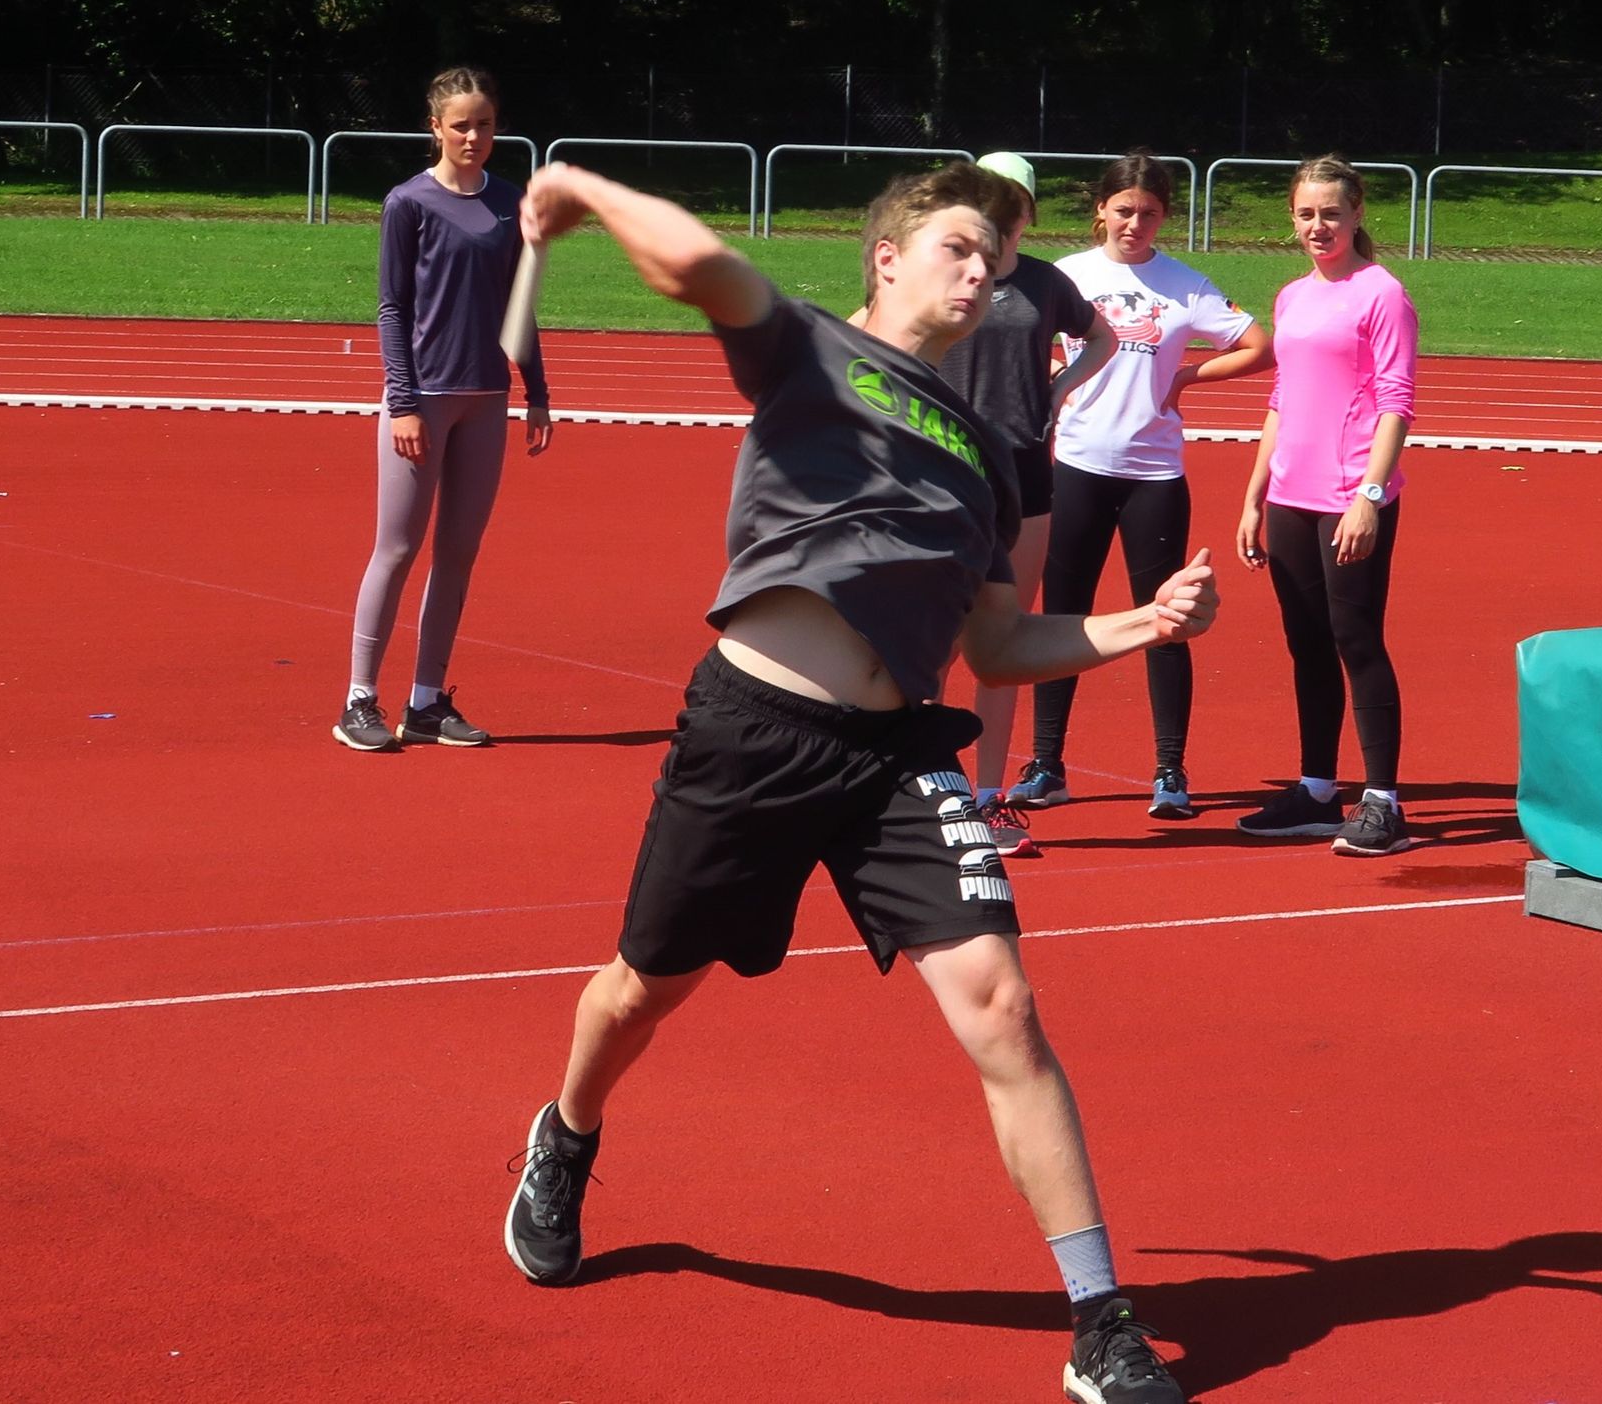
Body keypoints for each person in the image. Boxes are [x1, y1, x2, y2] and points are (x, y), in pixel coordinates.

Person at [502, 159, 1210, 1404]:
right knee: (644, 990)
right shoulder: (808, 350)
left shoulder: (991, 454)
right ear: (887, 257)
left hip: (896, 758)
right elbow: (695, 264)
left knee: (1004, 1009)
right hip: (754, 733)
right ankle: (565, 1134)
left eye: (995, 257)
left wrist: (1140, 624)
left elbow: (999, 647)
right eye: (957, 247)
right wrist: (579, 188)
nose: (983, 271)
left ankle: (1100, 1320)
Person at [1009, 150, 1271, 820]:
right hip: (1076, 468)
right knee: (1061, 618)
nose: (1135, 223)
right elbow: (1018, 335)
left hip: (1153, 476)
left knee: (1167, 621)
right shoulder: (1069, 275)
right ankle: (1046, 764)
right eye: (1124, 210)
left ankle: (1170, 771)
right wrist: (1053, 379)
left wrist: (1186, 377)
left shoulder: (1184, 285)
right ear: (1101, 209)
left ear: (1164, 218)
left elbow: (1257, 344)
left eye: (1149, 213)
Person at [335, 66, 552, 752]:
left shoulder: (510, 202)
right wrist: (402, 402)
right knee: (397, 549)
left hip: (486, 400)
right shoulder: (408, 202)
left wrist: (537, 392)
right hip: (423, 400)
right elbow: (391, 308)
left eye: (484, 124)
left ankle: (427, 701)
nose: (473, 137)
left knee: (458, 553)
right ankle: (358, 700)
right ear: (435, 127)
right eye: (460, 125)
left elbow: (519, 304)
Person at [1234, 155, 1419, 856]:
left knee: (1356, 638)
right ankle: (1317, 790)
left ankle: (1384, 802)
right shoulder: (1291, 297)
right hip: (1291, 496)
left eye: (1332, 214)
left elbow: (1397, 402)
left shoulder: (1382, 294)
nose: (1319, 226)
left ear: (1357, 214)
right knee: (1306, 643)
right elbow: (1282, 398)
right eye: (1307, 214)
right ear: (1293, 217)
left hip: (1350, 497)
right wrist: (1255, 495)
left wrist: (1369, 497)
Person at [944, 153, 1116, 857]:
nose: (1000, 211)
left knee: (1003, 642)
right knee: (932, 638)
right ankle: (921, 790)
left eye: (1012, 200)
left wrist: (1060, 387)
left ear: (1028, 210)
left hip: (1024, 472)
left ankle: (988, 798)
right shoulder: (943, 272)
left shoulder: (1047, 282)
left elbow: (1103, 337)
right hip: (947, 468)